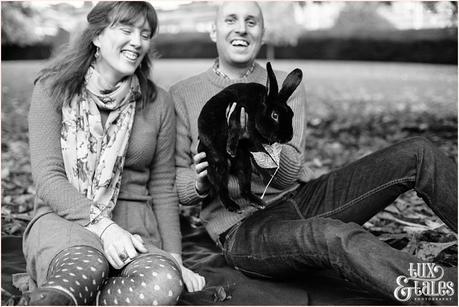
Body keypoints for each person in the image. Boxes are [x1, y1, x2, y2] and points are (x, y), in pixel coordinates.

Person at [170, 1, 457, 305]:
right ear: (214, 29)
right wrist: (201, 183)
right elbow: (177, 184)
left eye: (251, 22)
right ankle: (448, 292)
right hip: (243, 229)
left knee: (418, 151)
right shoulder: (184, 93)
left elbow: (289, 173)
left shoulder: (281, 85)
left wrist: (259, 145)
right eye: (231, 20)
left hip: (303, 199)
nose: (241, 28)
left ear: (262, 32)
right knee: (332, 235)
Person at [23, 2, 205, 305]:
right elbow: (48, 178)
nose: (137, 41)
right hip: (65, 222)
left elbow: (162, 187)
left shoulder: (158, 102)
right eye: (126, 29)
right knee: (87, 268)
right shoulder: (52, 89)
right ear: (96, 36)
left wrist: (176, 258)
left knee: (163, 282)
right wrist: (105, 229)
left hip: (135, 231)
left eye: (145, 34)